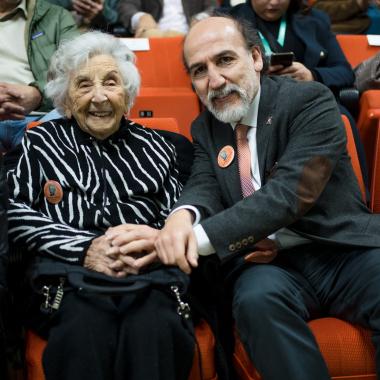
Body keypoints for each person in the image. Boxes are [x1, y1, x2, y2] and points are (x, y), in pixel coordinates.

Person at [154, 15, 380, 380]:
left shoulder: (310, 101)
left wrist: (191, 241)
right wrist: (180, 217)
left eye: (225, 60)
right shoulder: (206, 127)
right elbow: (204, 186)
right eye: (199, 70)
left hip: (340, 248)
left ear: (256, 58)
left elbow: (290, 194)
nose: (214, 80)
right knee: (256, 301)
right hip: (270, 267)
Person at [7, 31, 195, 380]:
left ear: (128, 92)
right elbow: (15, 213)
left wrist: (150, 242)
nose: (99, 97)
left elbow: (177, 214)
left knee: (153, 325)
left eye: (111, 82)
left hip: (148, 274)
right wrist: (85, 248)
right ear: (66, 96)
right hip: (68, 280)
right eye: (83, 85)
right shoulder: (40, 141)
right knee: (85, 327)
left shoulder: (159, 146)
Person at [0, 0, 79, 153]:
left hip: (43, 116)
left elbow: (79, 71)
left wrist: (39, 94)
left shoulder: (56, 16)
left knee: (72, 116)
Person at [117, 0, 217, 38]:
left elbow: (213, 7)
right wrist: (140, 17)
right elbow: (126, 5)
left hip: (191, 35)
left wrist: (201, 19)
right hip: (154, 35)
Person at [47, 0, 120, 32]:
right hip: (58, 35)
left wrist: (102, 11)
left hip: (96, 38)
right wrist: (69, 2)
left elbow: (116, 18)